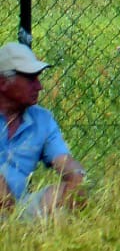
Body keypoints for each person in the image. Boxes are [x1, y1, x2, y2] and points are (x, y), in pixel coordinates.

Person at [1, 40, 86, 218]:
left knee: (68, 193)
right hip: (10, 207)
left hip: (19, 207)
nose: (39, 86)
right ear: (3, 83)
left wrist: (77, 175)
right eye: (31, 79)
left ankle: (29, 235)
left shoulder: (42, 119)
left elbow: (63, 160)